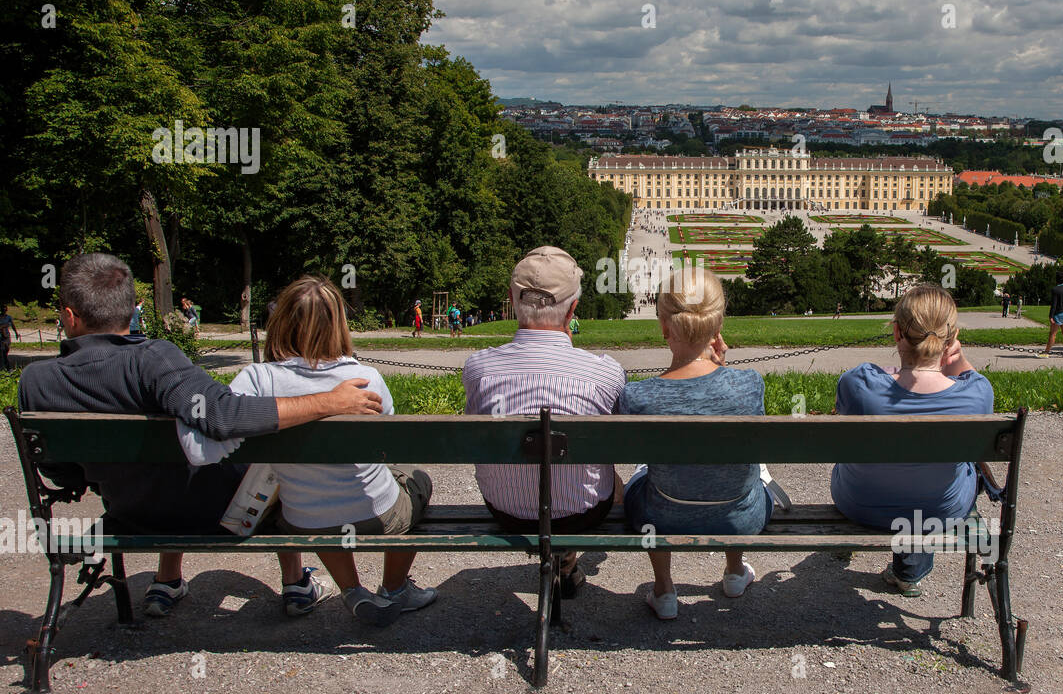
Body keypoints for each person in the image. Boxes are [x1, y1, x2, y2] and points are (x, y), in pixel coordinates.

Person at [17, 254, 384, 618]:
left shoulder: (37, 381)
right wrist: (327, 402)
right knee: (265, 462)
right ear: (130, 309)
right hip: (217, 512)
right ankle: (295, 583)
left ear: (69, 316)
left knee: (169, 469)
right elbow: (222, 416)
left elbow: (60, 472)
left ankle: (167, 579)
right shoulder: (154, 359)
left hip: (129, 513)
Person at [177, 277, 438, 627]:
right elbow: (386, 445)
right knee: (417, 480)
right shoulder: (366, 379)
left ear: (280, 322)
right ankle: (394, 589)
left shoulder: (257, 380)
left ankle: (351, 589)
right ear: (339, 325)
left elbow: (203, 445)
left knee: (314, 499)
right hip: (377, 514)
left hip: (303, 518)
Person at [461, 247, 625, 596]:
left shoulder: (478, 369)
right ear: (574, 308)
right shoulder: (605, 373)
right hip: (583, 513)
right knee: (609, 477)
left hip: (507, 512)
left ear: (511, 299)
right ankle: (565, 558)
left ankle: (562, 562)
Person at [619, 268, 774, 620]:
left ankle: (664, 590)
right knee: (745, 470)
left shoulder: (638, 395)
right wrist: (725, 370)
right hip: (742, 518)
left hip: (659, 516)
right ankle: (735, 573)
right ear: (717, 328)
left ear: (664, 327)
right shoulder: (749, 384)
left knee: (646, 475)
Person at [831, 283, 994, 596]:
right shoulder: (977, 394)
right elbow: (972, 380)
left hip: (859, 504)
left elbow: (855, 398)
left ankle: (907, 565)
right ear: (951, 337)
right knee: (939, 478)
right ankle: (909, 570)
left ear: (896, 333)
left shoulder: (859, 384)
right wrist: (956, 362)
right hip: (940, 511)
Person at [1042, 269, 1063, 357]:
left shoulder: (1055, 289)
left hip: (1058, 313)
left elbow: (1054, 304)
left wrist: (1051, 316)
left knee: (1053, 334)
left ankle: (1046, 352)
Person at [0, 305, 17, 371]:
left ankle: (6, 367)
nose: (4, 311)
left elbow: (12, 325)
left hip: (6, 336)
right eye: (3, 309)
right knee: (2, 352)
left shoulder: (8, 317)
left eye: (5, 309)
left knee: (5, 351)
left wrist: (16, 333)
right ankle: (6, 367)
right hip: (0, 337)